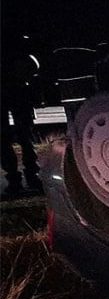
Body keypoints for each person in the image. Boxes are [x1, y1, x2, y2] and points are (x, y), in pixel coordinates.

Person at [1, 31, 43, 198]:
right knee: (23, 137)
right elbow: (34, 64)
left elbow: (33, 64)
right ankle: (30, 177)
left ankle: (16, 181)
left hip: (15, 92)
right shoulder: (17, 39)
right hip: (19, 91)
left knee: (7, 139)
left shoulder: (16, 41)